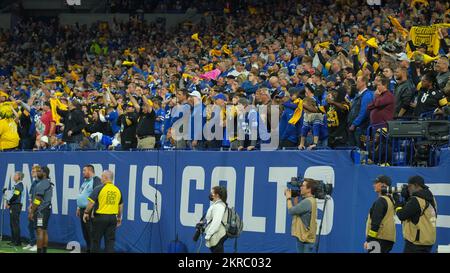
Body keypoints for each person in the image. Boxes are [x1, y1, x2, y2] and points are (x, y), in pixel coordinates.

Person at [83, 170, 123, 253]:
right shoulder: (117, 190)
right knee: (110, 242)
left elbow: (91, 203)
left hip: (100, 218)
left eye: (102, 176)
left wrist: (86, 213)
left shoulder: (99, 188)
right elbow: (120, 206)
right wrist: (119, 218)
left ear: (105, 178)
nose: (101, 178)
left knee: (95, 241)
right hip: (112, 219)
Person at [395, 175, 437, 253]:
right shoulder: (431, 198)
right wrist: (408, 199)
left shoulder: (416, 200)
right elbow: (416, 213)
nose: (408, 189)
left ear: (416, 185)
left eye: (409, 186)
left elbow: (402, 215)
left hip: (416, 244)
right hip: (427, 241)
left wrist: (397, 203)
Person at [284, 178, 318, 253]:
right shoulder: (311, 200)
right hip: (304, 239)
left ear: (309, 189)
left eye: (303, 186)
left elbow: (291, 211)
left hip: (305, 240)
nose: (300, 187)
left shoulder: (307, 202)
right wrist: (296, 200)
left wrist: (288, 198)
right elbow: (299, 212)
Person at [364, 175, 396, 253]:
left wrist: (369, 240)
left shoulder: (381, 201)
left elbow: (375, 223)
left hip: (378, 239)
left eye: (376, 183)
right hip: (387, 240)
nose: (373, 185)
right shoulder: (391, 200)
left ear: (383, 185)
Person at [76, 164, 101, 253]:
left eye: (84, 170)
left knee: (91, 233)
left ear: (90, 171)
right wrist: (78, 207)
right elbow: (81, 194)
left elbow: (98, 195)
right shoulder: (85, 182)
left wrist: (94, 209)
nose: (82, 172)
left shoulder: (96, 180)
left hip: (90, 211)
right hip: (83, 210)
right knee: (85, 233)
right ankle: (88, 249)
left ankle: (93, 250)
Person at [28, 166, 53, 253]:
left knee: (39, 231)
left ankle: (39, 251)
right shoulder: (46, 182)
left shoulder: (42, 183)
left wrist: (31, 212)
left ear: (44, 174)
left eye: (40, 171)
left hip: (40, 212)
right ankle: (44, 251)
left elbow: (38, 199)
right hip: (45, 210)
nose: (38, 173)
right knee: (44, 230)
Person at [204, 186, 228, 253]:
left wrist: (208, 235)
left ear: (217, 195)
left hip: (217, 236)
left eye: (212, 193)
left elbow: (216, 222)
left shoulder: (219, 206)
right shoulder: (217, 205)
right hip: (215, 236)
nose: (210, 195)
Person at [23, 165, 40, 251]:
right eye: (31, 171)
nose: (31, 172)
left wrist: (33, 207)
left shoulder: (41, 182)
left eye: (33, 171)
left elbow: (39, 198)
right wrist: (30, 206)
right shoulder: (33, 182)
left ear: (38, 172)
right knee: (30, 226)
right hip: (32, 208)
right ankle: (32, 242)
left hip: (39, 209)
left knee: (38, 227)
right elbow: (30, 196)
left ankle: (38, 245)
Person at [6, 172, 24, 246]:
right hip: (13, 205)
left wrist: (9, 202)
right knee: (12, 223)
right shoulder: (16, 185)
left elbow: (16, 195)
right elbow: (13, 194)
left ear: (19, 177)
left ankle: (17, 241)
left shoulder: (20, 185)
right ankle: (13, 240)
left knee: (15, 223)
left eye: (15, 175)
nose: (13, 177)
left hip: (16, 206)